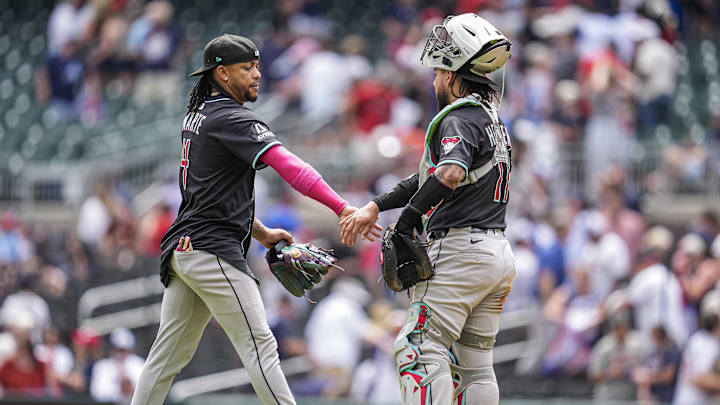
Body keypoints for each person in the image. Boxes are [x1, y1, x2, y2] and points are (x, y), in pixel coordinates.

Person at [131, 34, 378, 405]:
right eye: (247, 68)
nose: (257, 75)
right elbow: (290, 167)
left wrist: (259, 232)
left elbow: (211, 194)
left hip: (186, 248)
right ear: (222, 73)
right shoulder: (231, 117)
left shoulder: (200, 114)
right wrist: (342, 206)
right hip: (212, 251)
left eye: (257, 66)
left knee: (167, 357)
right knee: (260, 345)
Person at [341, 13, 515, 405]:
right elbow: (431, 177)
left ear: (453, 75)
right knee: (474, 365)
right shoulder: (492, 121)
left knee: (417, 348)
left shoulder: (458, 117)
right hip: (495, 252)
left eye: (438, 72)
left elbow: (450, 173)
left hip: (461, 251)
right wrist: (377, 205)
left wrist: (405, 222)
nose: (435, 80)